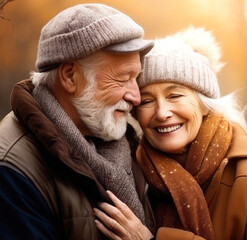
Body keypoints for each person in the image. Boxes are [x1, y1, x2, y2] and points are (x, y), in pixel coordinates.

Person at [93, 26, 247, 240]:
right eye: (147, 101)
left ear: (205, 104)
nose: (162, 113)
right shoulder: (128, 176)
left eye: (175, 96)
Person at [0, 3, 155, 240]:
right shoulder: (12, 171)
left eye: (136, 78)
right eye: (123, 79)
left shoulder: (124, 145)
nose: (135, 96)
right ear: (70, 76)